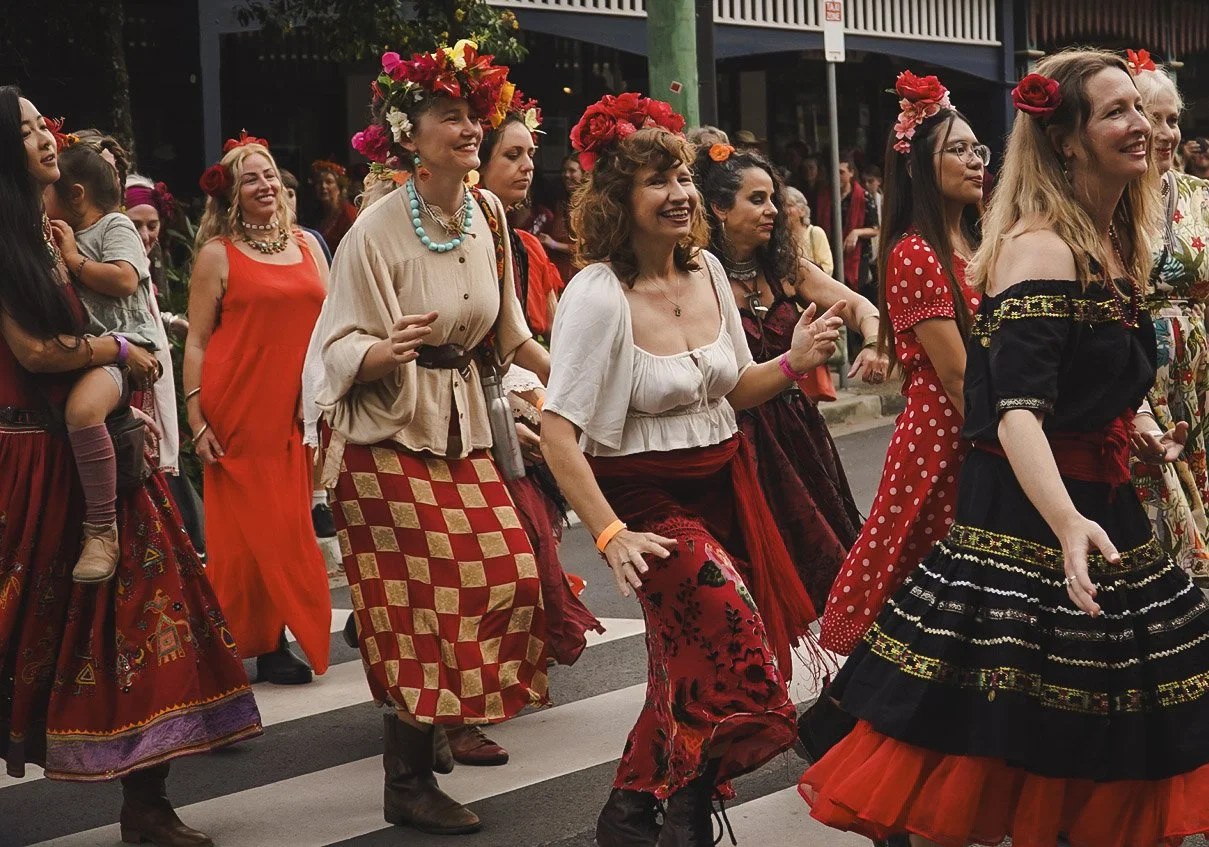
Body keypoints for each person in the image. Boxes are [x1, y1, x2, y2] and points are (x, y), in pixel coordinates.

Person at [800, 50, 1209, 847]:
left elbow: (1083, 383)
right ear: (1064, 139)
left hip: (1102, 498)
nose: (1143, 128)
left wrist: (1145, 430)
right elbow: (1015, 410)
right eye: (1116, 112)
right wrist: (1062, 522)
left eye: (1145, 109)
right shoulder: (1040, 248)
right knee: (1024, 731)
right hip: (1034, 513)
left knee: (1099, 719)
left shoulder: (1111, 239)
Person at [542, 93, 844, 847]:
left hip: (729, 482)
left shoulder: (707, 268)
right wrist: (610, 533)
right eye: (656, 180)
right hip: (644, 499)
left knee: (683, 668)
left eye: (681, 176)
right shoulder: (596, 294)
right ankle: (680, 811)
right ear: (617, 197)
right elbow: (556, 432)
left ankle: (639, 812)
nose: (678, 193)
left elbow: (735, 389)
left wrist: (793, 362)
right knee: (736, 648)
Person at [0, 85, 261, 847]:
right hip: (32, 465)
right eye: (24, 131)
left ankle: (148, 803)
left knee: (156, 608)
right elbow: (34, 352)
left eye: (43, 123)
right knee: (23, 633)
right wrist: (124, 352)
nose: (46, 135)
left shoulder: (59, 233)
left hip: (106, 456)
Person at [315, 42, 554, 835]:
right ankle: (406, 780)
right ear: (408, 137)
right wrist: (385, 350)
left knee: (513, 575)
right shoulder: (373, 230)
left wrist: (575, 389)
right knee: (419, 609)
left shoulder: (487, 214)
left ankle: (431, 717)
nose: (468, 128)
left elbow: (511, 334)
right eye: (448, 116)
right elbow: (333, 350)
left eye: (470, 115)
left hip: (460, 426)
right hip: (384, 436)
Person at [817, 72, 985, 656]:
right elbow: (957, 375)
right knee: (919, 569)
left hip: (984, 423)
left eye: (976, 148)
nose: (975, 161)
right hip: (947, 434)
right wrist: (1006, 442)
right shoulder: (914, 252)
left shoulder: (980, 243)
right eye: (958, 150)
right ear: (919, 167)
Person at [693, 143, 883, 610]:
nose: (773, 210)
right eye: (756, 200)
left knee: (826, 569)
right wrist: (793, 361)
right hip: (730, 441)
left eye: (773, 198)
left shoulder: (783, 269)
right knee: (751, 583)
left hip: (795, 434)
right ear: (718, 208)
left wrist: (876, 343)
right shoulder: (694, 275)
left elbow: (860, 306)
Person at [184, 131, 332, 685]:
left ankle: (270, 642)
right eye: (250, 177)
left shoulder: (309, 245)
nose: (264, 184)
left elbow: (333, 323)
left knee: (289, 524)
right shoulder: (216, 255)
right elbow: (197, 342)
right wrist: (197, 420)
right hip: (238, 405)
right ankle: (234, 653)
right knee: (244, 536)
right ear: (231, 193)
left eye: (269, 173)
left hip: (298, 407)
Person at [43, 138, 166, 584]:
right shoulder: (57, 232)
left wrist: (73, 257)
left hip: (126, 348)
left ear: (75, 194)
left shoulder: (116, 225)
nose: (43, 201)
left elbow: (124, 278)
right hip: (92, 352)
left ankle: (101, 527)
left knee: (82, 410)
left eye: (49, 191)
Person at [1130, 55, 1209, 584]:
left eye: (1172, 120)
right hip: (1138, 374)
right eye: (1151, 118)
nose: (1164, 133)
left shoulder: (1200, 196)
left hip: (1198, 375)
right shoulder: (1111, 196)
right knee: (1164, 506)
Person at [124, 174, 208, 560]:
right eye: (134, 224)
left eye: (152, 225)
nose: (144, 233)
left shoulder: (145, 262)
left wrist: (171, 319)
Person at [280, 166, 338, 540]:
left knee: (315, 424)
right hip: (278, 349)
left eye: (291, 193)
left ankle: (319, 499)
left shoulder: (312, 239)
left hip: (312, 344)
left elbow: (332, 295)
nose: (286, 201)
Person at [816, 154, 880, 297]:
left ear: (851, 173)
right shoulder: (825, 196)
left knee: (855, 294)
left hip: (857, 255)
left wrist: (856, 232)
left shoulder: (863, 196)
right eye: (834, 171)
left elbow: (875, 229)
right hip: (830, 250)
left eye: (841, 172)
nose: (837, 176)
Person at [543, 152, 583, 285]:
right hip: (559, 270)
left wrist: (553, 244)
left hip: (576, 272)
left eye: (572, 170)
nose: (566, 175)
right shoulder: (561, 203)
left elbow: (584, 248)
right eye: (564, 171)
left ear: (584, 173)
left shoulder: (588, 207)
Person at [784, 185, 834, 276]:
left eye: (788, 205)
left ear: (802, 210)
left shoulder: (815, 233)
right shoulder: (781, 237)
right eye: (781, 207)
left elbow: (827, 268)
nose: (784, 210)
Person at [311, 159, 358, 254]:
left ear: (339, 188)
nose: (323, 186)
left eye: (329, 182)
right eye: (319, 182)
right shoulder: (319, 214)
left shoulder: (349, 214)